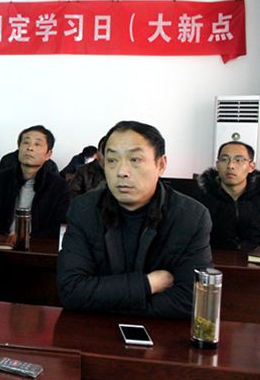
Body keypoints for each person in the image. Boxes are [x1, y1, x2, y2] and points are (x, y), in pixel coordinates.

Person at [57, 121, 213, 318]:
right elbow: (71, 291)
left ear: (161, 164)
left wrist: (105, 299)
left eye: (135, 159)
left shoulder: (190, 217)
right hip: (95, 331)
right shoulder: (84, 210)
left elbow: (191, 300)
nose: (122, 171)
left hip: (159, 335)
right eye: (112, 160)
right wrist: (148, 284)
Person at [0, 125, 70, 239]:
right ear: (18, 148)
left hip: (38, 246)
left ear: (48, 154)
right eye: (26, 142)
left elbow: (59, 227)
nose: (30, 148)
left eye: (37, 144)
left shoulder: (59, 187)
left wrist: (27, 238)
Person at [196, 141, 260, 252]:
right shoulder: (200, 200)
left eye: (238, 160)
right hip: (211, 259)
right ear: (217, 165)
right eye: (224, 159)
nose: (230, 166)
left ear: (251, 167)